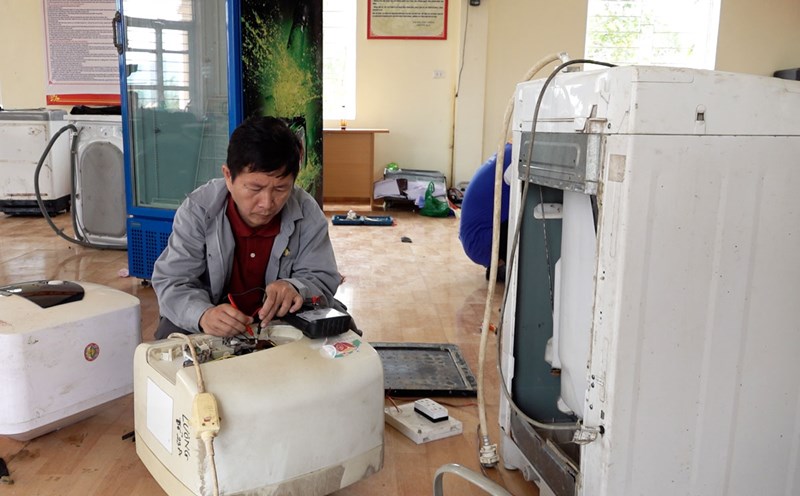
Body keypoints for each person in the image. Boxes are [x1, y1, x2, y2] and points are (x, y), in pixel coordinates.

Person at [151, 116, 341, 339]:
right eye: (254, 188)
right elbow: (173, 281)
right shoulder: (198, 210)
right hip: (215, 315)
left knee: (341, 338)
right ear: (228, 176)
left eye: (281, 189)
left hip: (282, 318)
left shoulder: (307, 212)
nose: (267, 203)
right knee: (167, 346)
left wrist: (296, 288)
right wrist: (203, 314)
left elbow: (323, 278)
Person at [458, 142, 513, 281]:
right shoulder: (516, 159)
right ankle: (501, 264)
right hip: (481, 241)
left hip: (473, 239)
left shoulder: (507, 152)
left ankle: (498, 263)